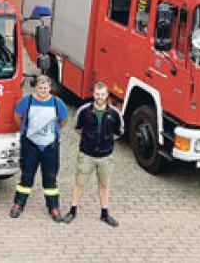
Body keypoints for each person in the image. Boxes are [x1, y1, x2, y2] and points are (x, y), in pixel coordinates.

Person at [10, 74, 69, 222]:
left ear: (50, 88)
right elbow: (17, 116)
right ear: (35, 88)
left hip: (50, 146)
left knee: (50, 178)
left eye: (45, 88)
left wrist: (54, 133)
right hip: (30, 145)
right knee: (26, 176)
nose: (43, 90)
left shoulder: (57, 103)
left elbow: (64, 120)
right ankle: (18, 204)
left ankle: (53, 207)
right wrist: (26, 131)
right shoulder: (26, 101)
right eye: (40, 87)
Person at [64, 82, 123, 227]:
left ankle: (104, 213)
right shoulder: (84, 111)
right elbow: (78, 129)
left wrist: (105, 142)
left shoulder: (115, 114)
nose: (100, 97)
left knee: (104, 185)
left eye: (103, 94)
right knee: (79, 183)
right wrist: (89, 141)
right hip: (86, 155)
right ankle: (72, 211)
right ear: (93, 94)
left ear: (107, 95)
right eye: (97, 94)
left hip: (106, 156)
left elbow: (118, 133)